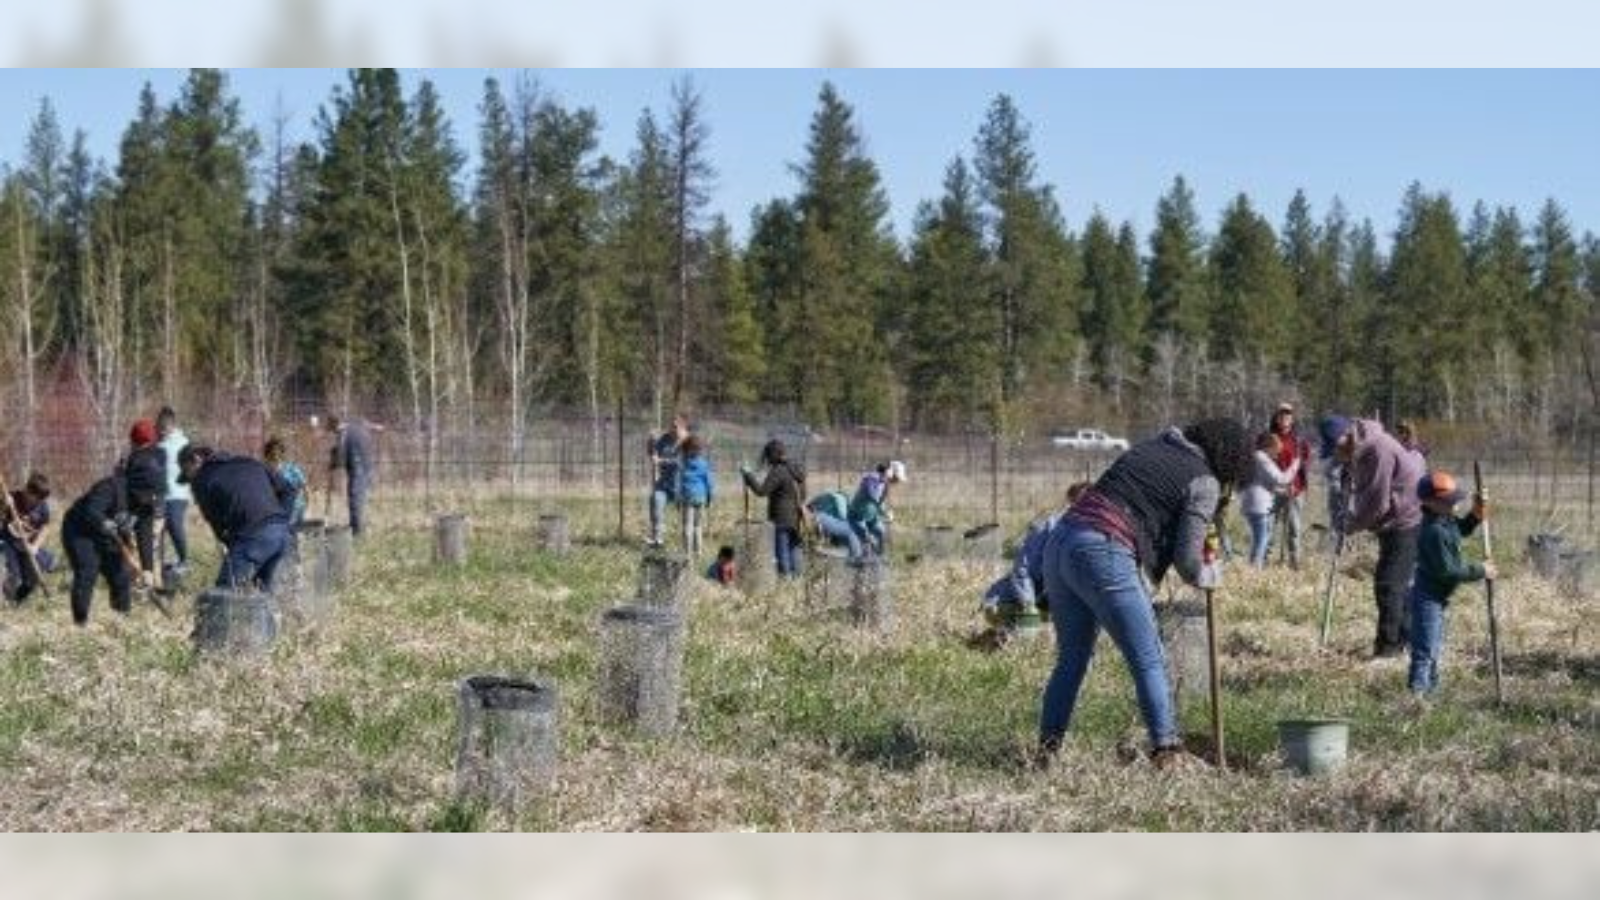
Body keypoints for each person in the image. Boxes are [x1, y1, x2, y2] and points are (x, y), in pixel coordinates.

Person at [1037, 418, 1253, 769]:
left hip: (1062, 542)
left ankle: (1046, 751)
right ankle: (1166, 749)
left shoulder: (1150, 447)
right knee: (1150, 658)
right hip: (1103, 549)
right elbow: (1187, 560)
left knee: (1072, 659)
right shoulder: (1204, 481)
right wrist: (1206, 574)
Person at [1336, 418, 1426, 659]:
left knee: (1389, 586)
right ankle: (1405, 639)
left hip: (1405, 521)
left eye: (1341, 454)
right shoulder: (1370, 445)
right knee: (1398, 584)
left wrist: (1353, 524)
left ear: (1348, 442)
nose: (1342, 459)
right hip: (1400, 520)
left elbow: (1377, 501)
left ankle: (1388, 648)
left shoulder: (1378, 451)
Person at [1408, 471, 1494, 697]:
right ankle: (1417, 697)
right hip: (1427, 598)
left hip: (1438, 597)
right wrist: (1481, 570)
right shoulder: (1433, 531)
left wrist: (1477, 512)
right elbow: (1449, 571)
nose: (1454, 504)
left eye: (1454, 499)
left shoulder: (1444, 520)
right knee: (1425, 650)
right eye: (1448, 501)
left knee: (1434, 649)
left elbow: (1462, 529)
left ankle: (1432, 694)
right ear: (1429, 503)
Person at [977, 483, 1087, 645]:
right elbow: (1022, 570)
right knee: (1027, 636)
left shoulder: (1092, 534)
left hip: (1052, 602)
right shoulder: (1048, 527)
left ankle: (1003, 635)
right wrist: (1028, 606)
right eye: (1082, 501)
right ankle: (998, 636)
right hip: (1013, 599)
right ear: (1071, 501)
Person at [179, 445, 294, 591]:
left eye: (187, 471)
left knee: (224, 594)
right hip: (282, 535)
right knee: (264, 595)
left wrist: (232, 547)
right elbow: (289, 491)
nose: (190, 480)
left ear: (196, 460)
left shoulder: (202, 479)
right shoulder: (250, 462)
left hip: (252, 535)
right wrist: (283, 522)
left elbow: (217, 524)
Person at [61, 472, 138, 625]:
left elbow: (143, 534)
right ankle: (80, 622)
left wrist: (144, 566)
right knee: (88, 570)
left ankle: (122, 622)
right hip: (80, 530)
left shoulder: (147, 498)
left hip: (110, 534)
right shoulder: (110, 487)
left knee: (121, 576)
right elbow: (92, 510)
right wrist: (105, 523)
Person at [740, 438, 807, 578]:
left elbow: (761, 491)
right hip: (796, 518)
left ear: (772, 455)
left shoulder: (779, 471)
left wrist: (748, 475)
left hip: (781, 519)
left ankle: (786, 581)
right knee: (793, 549)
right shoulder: (795, 468)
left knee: (782, 551)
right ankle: (797, 579)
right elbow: (804, 494)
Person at [1241, 432, 1300, 568]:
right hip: (1258, 505)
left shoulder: (1255, 457)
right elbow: (1281, 479)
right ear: (1269, 447)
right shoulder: (1262, 459)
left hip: (1253, 503)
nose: (1277, 455)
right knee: (1261, 539)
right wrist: (1295, 465)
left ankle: (1254, 567)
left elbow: (1264, 483)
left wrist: (1283, 492)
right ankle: (1254, 568)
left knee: (1261, 537)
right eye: (1276, 450)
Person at [1267, 402, 1314, 569]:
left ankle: (1294, 563)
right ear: (1276, 417)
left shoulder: (1299, 441)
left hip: (1295, 490)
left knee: (1294, 528)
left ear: (1292, 418)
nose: (1285, 417)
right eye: (1281, 413)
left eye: (1288, 414)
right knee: (1268, 526)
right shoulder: (1269, 437)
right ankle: (1263, 559)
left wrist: (1298, 476)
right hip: (1273, 489)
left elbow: (1307, 461)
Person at [120, 418, 167, 578]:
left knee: (136, 545)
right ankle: (156, 581)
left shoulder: (134, 459)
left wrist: (120, 472)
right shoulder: (161, 454)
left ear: (134, 440)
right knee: (155, 547)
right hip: (159, 508)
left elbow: (125, 485)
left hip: (140, 509)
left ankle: (140, 581)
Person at [2, 473, 56, 603]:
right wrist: (5, 504)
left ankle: (17, 601)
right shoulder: (12, 497)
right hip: (8, 543)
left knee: (38, 572)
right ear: (27, 490)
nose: (37, 502)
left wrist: (36, 546)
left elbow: (45, 527)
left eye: (41, 499)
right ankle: (6, 596)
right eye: (35, 498)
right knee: (13, 576)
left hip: (28, 546)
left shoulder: (42, 506)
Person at [326, 414, 377, 538]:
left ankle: (357, 532)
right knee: (359, 500)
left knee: (355, 500)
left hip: (359, 469)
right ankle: (358, 528)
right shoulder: (354, 427)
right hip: (366, 467)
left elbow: (340, 459)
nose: (332, 433)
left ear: (334, 425)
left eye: (331, 429)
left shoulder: (343, 433)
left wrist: (333, 460)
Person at [156, 406, 192, 575]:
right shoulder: (157, 444)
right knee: (158, 530)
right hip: (160, 494)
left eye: (164, 428)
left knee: (174, 524)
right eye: (159, 427)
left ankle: (184, 560)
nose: (162, 431)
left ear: (172, 426)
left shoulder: (183, 442)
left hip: (178, 493)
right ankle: (159, 564)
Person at [646, 414, 690, 548]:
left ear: (683, 427)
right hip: (664, 484)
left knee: (686, 518)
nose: (672, 428)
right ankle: (657, 539)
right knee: (655, 501)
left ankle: (688, 545)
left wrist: (661, 461)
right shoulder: (664, 439)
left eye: (675, 426)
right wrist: (651, 447)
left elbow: (681, 463)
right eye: (671, 426)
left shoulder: (688, 441)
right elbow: (654, 452)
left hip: (683, 486)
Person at [848, 460, 906, 555]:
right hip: (856, 517)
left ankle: (880, 557)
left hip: (871, 517)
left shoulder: (885, 484)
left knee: (881, 534)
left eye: (896, 480)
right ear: (889, 472)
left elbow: (880, 502)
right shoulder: (872, 478)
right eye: (895, 479)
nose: (895, 482)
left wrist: (886, 512)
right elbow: (873, 496)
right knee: (866, 539)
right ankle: (862, 562)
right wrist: (884, 512)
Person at [676, 434, 713, 559]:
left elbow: (678, 483)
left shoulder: (683, 464)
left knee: (687, 525)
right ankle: (699, 552)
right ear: (700, 450)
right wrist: (709, 497)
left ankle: (687, 553)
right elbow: (709, 482)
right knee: (698, 526)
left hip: (687, 498)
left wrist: (677, 499)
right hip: (701, 497)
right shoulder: (704, 464)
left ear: (686, 450)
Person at [264, 436, 308, 527]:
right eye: (272, 450)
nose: (275, 453)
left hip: (293, 509)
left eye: (277, 450)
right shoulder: (264, 470)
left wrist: (303, 505)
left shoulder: (291, 469)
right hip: (273, 509)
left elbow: (304, 487)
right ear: (268, 453)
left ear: (281, 452)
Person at [1318, 415, 1352, 536]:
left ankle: (1344, 528)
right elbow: (1330, 474)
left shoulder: (1351, 442)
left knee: (1346, 500)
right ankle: (1337, 529)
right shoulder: (1331, 459)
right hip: (1336, 466)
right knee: (1336, 497)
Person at [806, 489, 863, 559]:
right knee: (849, 531)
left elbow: (809, 506)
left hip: (811, 515)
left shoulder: (827, 496)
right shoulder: (841, 500)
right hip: (820, 517)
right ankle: (856, 555)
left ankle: (823, 547)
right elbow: (843, 517)